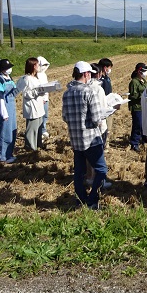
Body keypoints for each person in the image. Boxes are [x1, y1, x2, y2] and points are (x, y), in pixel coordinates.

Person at [62, 61, 109, 210]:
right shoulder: (90, 92)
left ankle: (80, 200)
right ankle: (92, 199)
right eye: (90, 74)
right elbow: (96, 119)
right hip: (91, 140)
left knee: (79, 172)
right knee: (101, 169)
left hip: (75, 139)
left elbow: (64, 116)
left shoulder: (67, 92)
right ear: (85, 74)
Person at [16, 57, 46, 152]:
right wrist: (38, 92)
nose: (39, 66)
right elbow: (26, 93)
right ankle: (30, 147)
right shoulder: (27, 79)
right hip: (32, 107)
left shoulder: (35, 78)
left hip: (39, 106)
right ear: (33, 66)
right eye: (37, 65)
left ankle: (38, 145)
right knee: (32, 129)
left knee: (38, 128)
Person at [0, 59, 18, 163]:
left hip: (11, 106)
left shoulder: (9, 77)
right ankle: (2, 156)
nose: (9, 70)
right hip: (4, 106)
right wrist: (4, 113)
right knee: (4, 132)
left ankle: (9, 154)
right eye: (7, 68)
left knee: (12, 131)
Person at [128, 63, 147, 152]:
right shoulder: (134, 82)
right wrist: (143, 95)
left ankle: (144, 140)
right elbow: (133, 95)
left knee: (144, 125)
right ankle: (134, 143)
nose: (146, 73)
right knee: (138, 125)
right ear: (139, 71)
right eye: (144, 71)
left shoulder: (144, 81)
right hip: (137, 107)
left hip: (144, 106)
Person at [97, 58, 114, 150]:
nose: (110, 70)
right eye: (109, 68)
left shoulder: (107, 78)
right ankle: (103, 144)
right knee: (104, 127)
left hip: (110, 104)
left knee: (109, 126)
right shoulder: (100, 80)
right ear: (105, 68)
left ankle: (106, 143)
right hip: (104, 106)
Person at [36, 56, 51, 141]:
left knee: (45, 115)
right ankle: (39, 132)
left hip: (46, 98)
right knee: (40, 116)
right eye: (43, 65)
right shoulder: (36, 75)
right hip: (40, 99)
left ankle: (43, 129)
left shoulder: (44, 75)